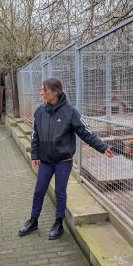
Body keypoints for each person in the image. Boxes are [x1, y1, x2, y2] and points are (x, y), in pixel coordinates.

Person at [19, 77, 114, 240]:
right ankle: (33, 220)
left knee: (60, 192)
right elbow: (35, 135)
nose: (41, 92)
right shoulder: (40, 111)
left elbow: (86, 132)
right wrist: (35, 154)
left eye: (44, 90)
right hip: (45, 161)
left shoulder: (70, 111)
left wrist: (102, 147)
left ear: (54, 92)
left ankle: (58, 223)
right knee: (39, 191)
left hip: (63, 161)